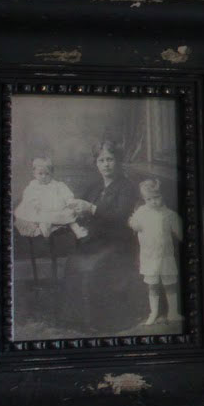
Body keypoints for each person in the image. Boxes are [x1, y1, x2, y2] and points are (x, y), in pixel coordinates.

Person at [64, 140, 146, 335]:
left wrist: (91, 208)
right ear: (96, 163)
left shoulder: (126, 187)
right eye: (101, 160)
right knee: (73, 262)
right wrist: (78, 212)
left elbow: (120, 217)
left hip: (119, 242)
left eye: (110, 159)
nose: (106, 164)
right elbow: (84, 210)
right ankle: (78, 319)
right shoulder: (94, 186)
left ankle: (102, 320)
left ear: (118, 161)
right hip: (96, 239)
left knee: (94, 267)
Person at [128, 179, 184, 325]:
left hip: (165, 256)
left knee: (169, 284)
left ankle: (173, 313)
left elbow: (180, 233)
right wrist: (134, 224)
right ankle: (154, 313)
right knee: (152, 285)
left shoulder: (169, 214)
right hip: (149, 256)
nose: (153, 201)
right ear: (144, 199)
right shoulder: (141, 212)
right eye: (149, 199)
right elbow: (133, 224)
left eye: (156, 197)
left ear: (162, 195)